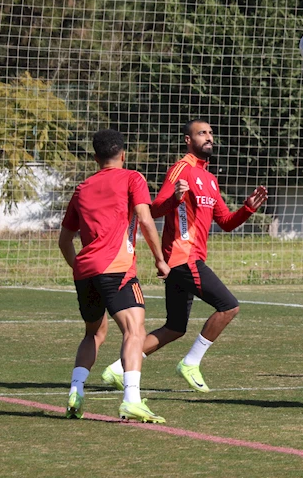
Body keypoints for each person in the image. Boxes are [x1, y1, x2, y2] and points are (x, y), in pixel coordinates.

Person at [102, 119, 268, 392]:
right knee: (229, 306)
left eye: (211, 133)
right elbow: (153, 209)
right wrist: (175, 199)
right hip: (183, 259)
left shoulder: (211, 180)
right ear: (188, 141)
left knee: (175, 327)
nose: (209, 138)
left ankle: (117, 369)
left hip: (185, 262)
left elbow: (225, 222)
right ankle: (191, 362)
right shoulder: (181, 169)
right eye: (202, 133)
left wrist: (247, 209)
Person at [59, 129, 170, 423]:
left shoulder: (82, 188)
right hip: (116, 269)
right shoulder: (132, 178)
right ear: (123, 153)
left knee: (94, 333)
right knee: (135, 330)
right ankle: (131, 399)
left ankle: (76, 391)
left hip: (85, 272)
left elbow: (65, 240)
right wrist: (160, 260)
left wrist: (81, 269)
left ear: (95, 158)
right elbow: (145, 219)